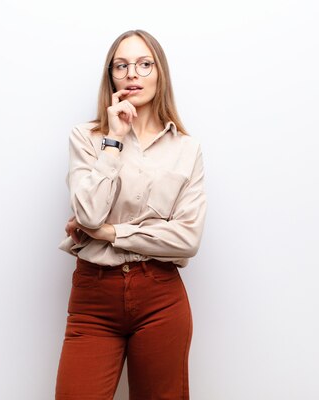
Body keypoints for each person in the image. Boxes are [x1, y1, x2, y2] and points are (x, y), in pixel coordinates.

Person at [55, 29, 207, 400]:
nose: (132, 74)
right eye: (121, 66)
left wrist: (109, 233)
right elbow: (88, 213)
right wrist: (114, 141)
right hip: (94, 297)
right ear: (111, 77)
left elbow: (187, 240)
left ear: (160, 73)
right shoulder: (87, 137)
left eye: (144, 64)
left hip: (160, 296)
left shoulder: (186, 149)